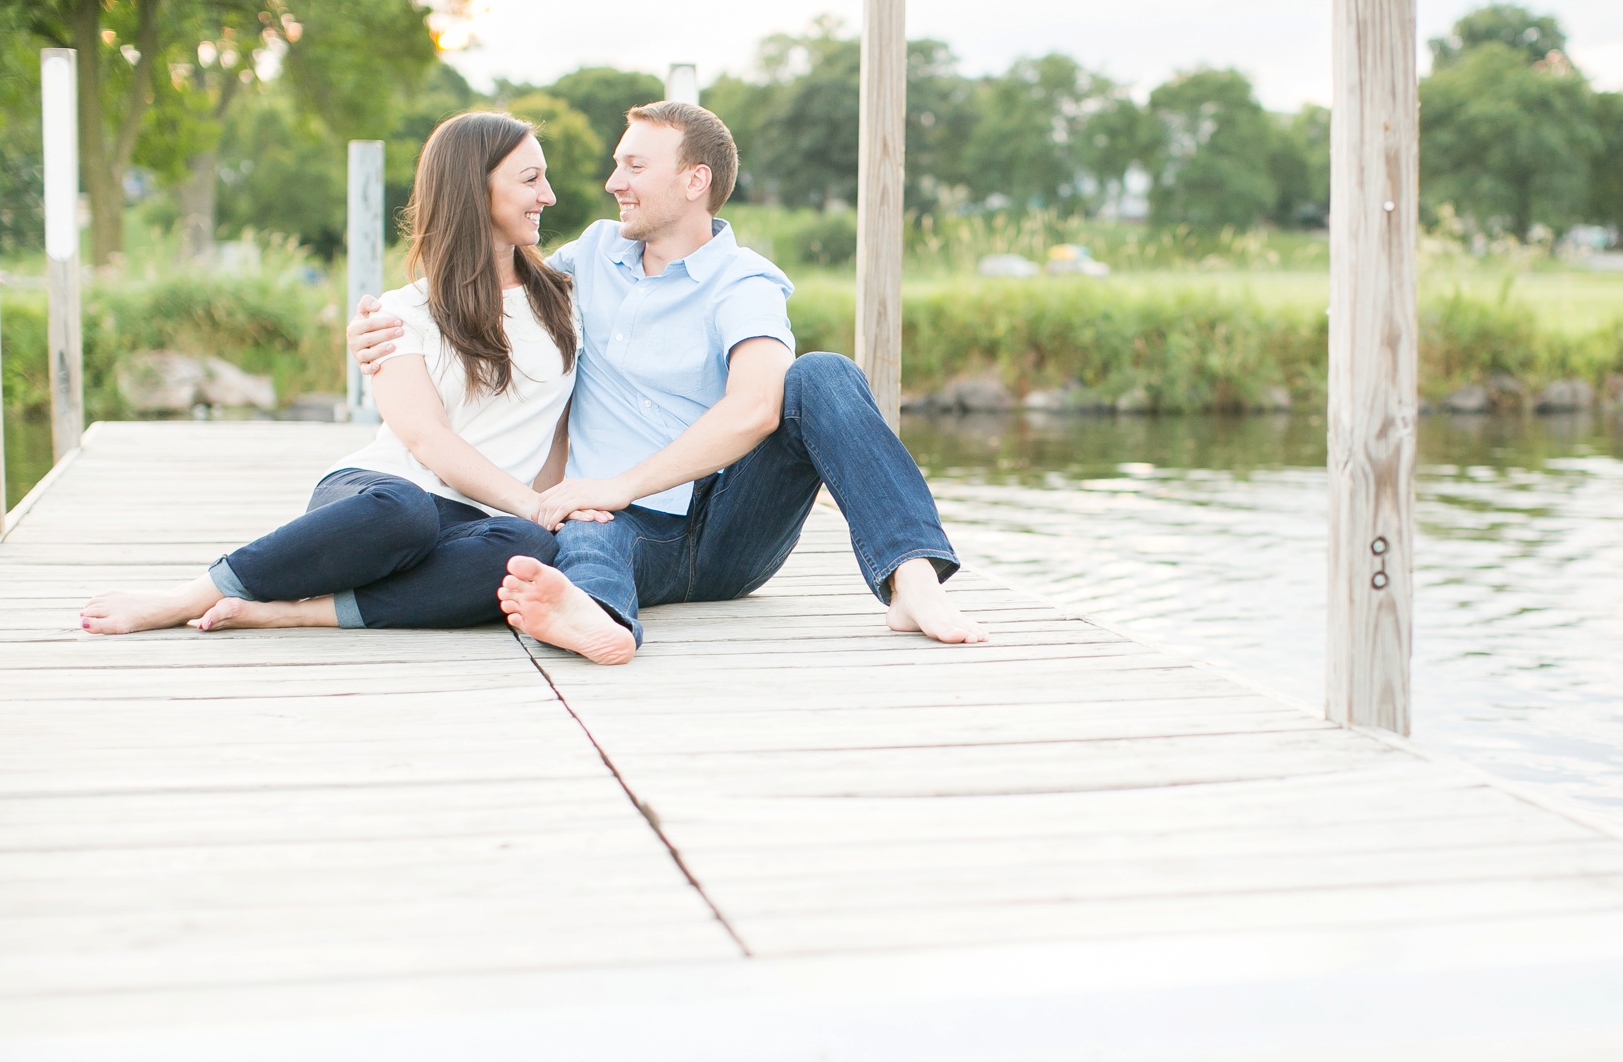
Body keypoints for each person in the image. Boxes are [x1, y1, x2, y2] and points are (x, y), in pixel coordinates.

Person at [347, 101, 987, 665]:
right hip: (615, 527)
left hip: (732, 528)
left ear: (694, 180)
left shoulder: (744, 280)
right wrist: (383, 325)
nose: (611, 183)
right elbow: (482, 283)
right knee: (586, 526)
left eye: (633, 167)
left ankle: (913, 583)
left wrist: (622, 483)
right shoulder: (587, 257)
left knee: (823, 374)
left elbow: (758, 406)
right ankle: (596, 620)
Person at [80, 112, 595, 637]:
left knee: (530, 550)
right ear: (471, 187)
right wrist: (531, 504)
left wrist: (545, 509)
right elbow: (424, 437)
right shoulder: (402, 312)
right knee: (408, 512)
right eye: (530, 179)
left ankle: (296, 612)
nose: (548, 195)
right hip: (378, 499)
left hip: (480, 522)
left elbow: (555, 427)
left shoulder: (565, 299)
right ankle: (186, 597)